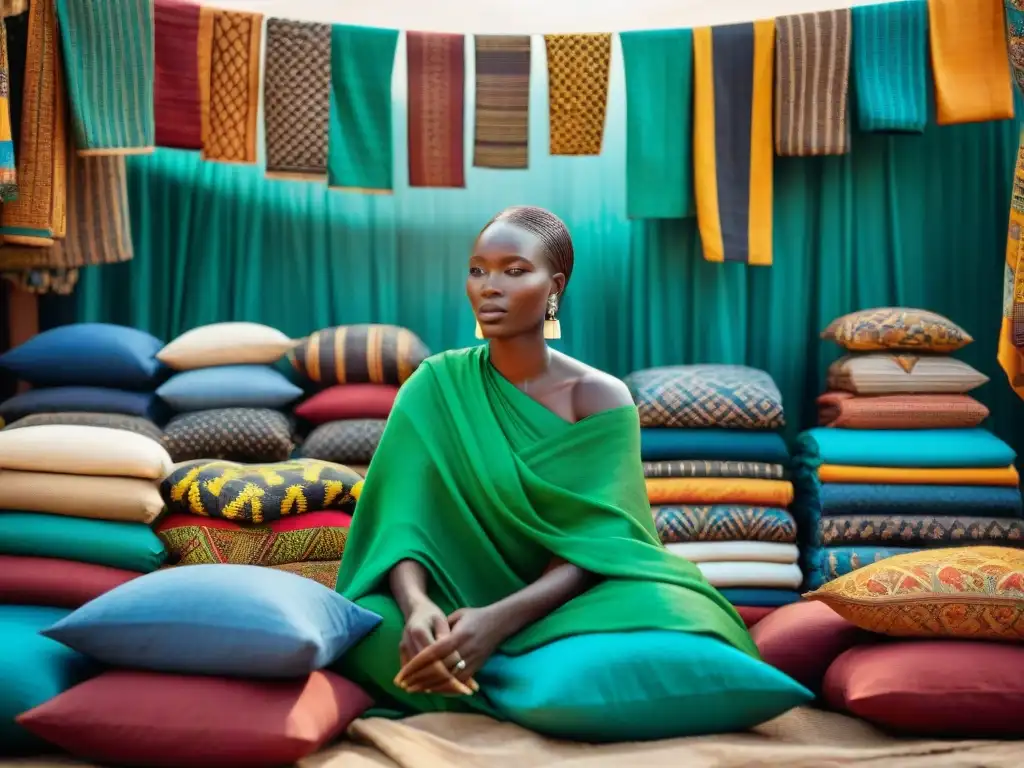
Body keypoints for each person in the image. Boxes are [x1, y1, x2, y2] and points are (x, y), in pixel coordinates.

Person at [333, 206, 757, 718]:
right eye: (477, 269)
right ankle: (521, 689)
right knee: (369, 625)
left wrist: (497, 621)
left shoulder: (601, 398)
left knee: (678, 617)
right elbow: (399, 524)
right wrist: (417, 605)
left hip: (563, 604)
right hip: (451, 597)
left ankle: (502, 684)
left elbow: (602, 541)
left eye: (514, 271)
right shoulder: (433, 386)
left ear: (554, 287)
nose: (490, 285)